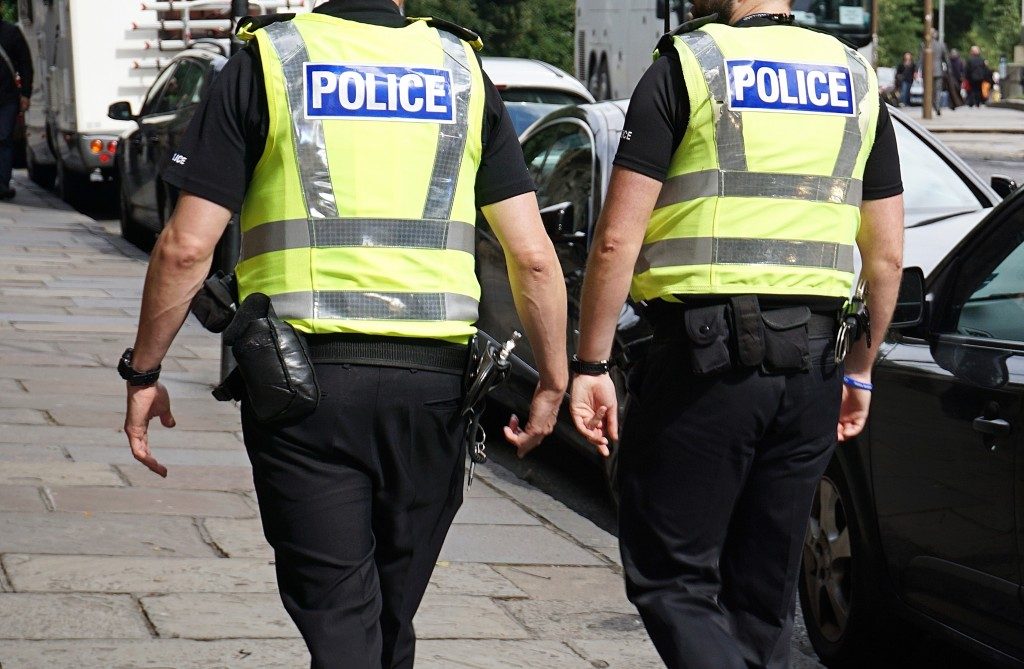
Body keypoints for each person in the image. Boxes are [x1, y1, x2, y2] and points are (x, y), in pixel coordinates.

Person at [119, 1, 569, 667]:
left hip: (303, 390)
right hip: (436, 394)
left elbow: (186, 248)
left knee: (342, 621)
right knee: (389, 619)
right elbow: (530, 255)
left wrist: (144, 372)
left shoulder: (269, 61)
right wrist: (558, 377)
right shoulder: (460, 70)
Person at [568, 0, 905, 667]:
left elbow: (615, 240)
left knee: (671, 575)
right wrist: (860, 369)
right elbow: (887, 255)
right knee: (764, 594)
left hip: (704, 362)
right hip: (813, 367)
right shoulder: (855, 76)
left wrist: (590, 363)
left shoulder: (689, 64)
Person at [0, 12, 31, 200]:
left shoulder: (11, 33)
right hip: (8, 98)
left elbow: (25, 64)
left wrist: (25, 93)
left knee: (3, 138)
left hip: (7, 98)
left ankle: (3, 182)